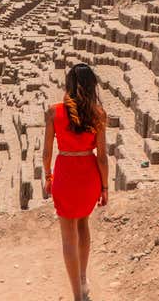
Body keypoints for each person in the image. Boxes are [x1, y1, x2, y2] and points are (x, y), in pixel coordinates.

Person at [42, 63, 109, 301]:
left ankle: (77, 296)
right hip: (88, 174)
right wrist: (104, 188)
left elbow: (47, 152)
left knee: (68, 234)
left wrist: (48, 177)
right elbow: (102, 157)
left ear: (68, 84)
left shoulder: (53, 111)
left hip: (65, 173)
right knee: (83, 224)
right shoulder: (98, 113)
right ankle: (82, 277)